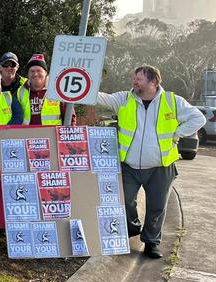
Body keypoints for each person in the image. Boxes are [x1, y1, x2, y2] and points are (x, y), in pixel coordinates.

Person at [96, 65, 205, 259]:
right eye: (134, 77)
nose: (134, 81)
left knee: (157, 207)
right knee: (124, 200)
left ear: (153, 82)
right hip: (129, 166)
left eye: (139, 78)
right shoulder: (124, 98)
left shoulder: (172, 101)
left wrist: (177, 133)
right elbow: (101, 98)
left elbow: (198, 118)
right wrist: (81, 90)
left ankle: (151, 242)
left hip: (160, 167)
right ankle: (132, 226)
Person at [20, 53, 74, 125]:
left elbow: (70, 116)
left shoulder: (57, 90)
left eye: (39, 71)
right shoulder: (20, 92)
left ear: (45, 73)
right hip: (27, 135)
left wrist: (70, 133)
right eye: (32, 71)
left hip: (52, 135)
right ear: (28, 74)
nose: (35, 74)